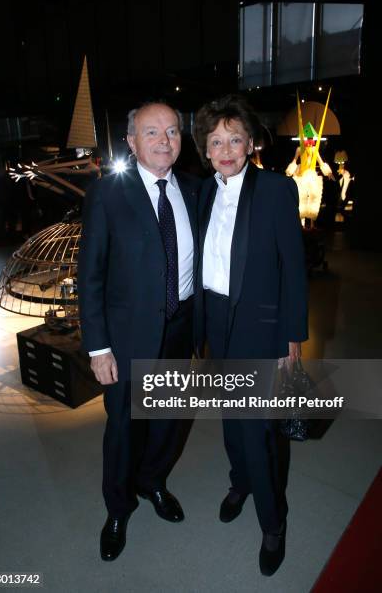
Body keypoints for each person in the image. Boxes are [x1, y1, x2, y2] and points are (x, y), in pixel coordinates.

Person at [192, 95, 308, 576]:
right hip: (215, 322)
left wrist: (293, 338)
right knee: (229, 417)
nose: (225, 149)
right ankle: (239, 482)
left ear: (251, 142)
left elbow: (294, 270)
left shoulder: (277, 190)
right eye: (216, 141)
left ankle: (273, 523)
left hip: (258, 329)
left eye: (234, 139)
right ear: (205, 148)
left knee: (257, 429)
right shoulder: (204, 191)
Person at [78, 102, 199, 561]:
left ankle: (153, 482)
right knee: (125, 428)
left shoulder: (193, 188)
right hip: (127, 338)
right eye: (152, 132)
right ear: (131, 143)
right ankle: (118, 508)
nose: (164, 141)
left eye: (172, 131)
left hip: (181, 328)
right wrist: (98, 347)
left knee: (167, 423)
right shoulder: (108, 194)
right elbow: (90, 275)